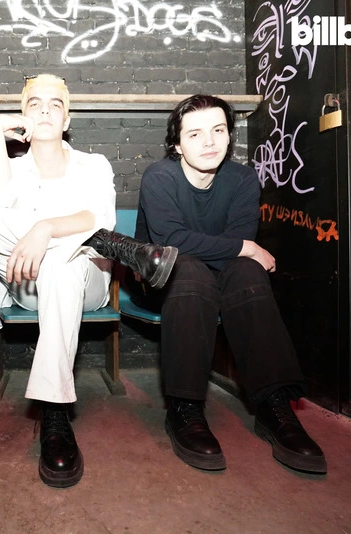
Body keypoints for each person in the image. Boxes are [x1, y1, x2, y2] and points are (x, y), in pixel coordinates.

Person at [0, 74, 177, 488]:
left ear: (67, 120)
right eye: (34, 104)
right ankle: (125, 250)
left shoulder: (93, 163)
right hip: (28, 283)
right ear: (22, 117)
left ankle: (53, 411)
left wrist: (45, 228)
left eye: (55, 104)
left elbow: (97, 216)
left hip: (88, 282)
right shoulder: (12, 168)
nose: (45, 110)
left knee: (64, 264)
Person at [134, 94, 326, 474]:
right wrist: (245, 248)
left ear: (229, 136)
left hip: (220, 276)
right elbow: (172, 241)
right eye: (195, 134)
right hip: (163, 280)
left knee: (249, 272)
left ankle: (273, 406)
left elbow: (238, 248)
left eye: (218, 130)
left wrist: (242, 250)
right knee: (190, 269)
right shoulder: (159, 177)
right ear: (177, 144)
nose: (209, 142)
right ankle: (185, 408)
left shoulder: (242, 179)